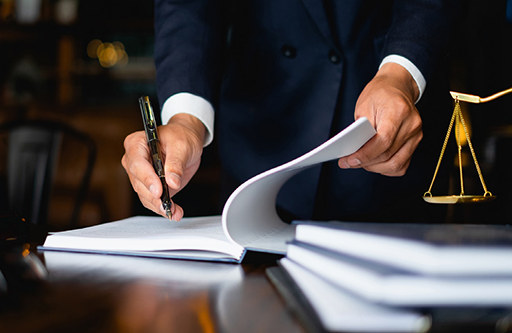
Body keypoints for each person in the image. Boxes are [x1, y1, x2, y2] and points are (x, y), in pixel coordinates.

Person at [122, 0, 463, 222]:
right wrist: (185, 120)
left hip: (389, 152)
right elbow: (188, 9)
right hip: (260, 157)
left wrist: (400, 73)